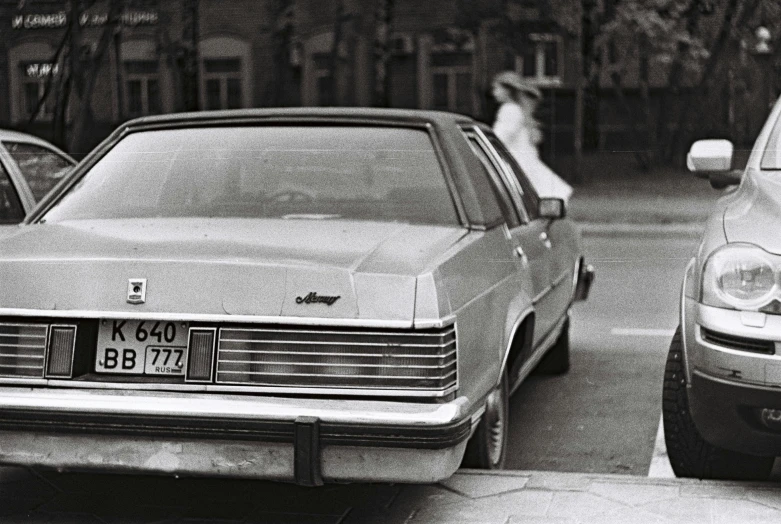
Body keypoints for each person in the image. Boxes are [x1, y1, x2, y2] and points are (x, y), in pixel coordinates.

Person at [491, 71, 573, 204]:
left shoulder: (509, 110)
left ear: (508, 90)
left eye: (496, 88)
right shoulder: (518, 109)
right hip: (524, 157)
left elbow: (500, 137)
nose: (494, 92)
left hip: (516, 160)